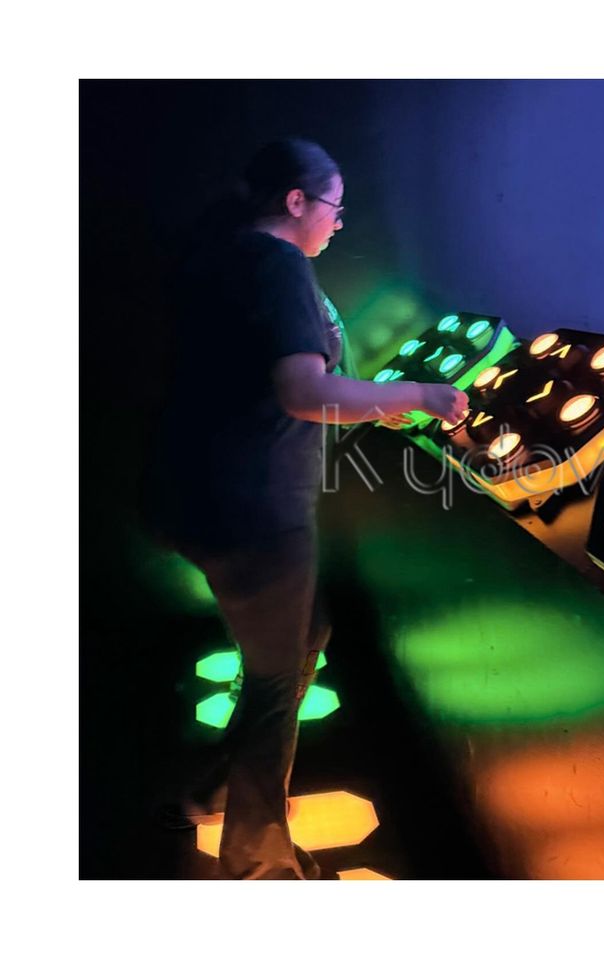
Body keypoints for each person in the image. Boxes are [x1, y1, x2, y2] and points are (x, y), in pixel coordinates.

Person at [148, 137, 468, 879]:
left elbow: (279, 385)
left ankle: (214, 791)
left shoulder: (225, 256)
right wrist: (421, 395)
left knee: (303, 637)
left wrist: (374, 402)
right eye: (334, 206)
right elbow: (303, 391)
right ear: (296, 201)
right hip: (256, 506)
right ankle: (259, 864)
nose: (339, 222)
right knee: (275, 674)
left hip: (211, 496)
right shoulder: (276, 262)